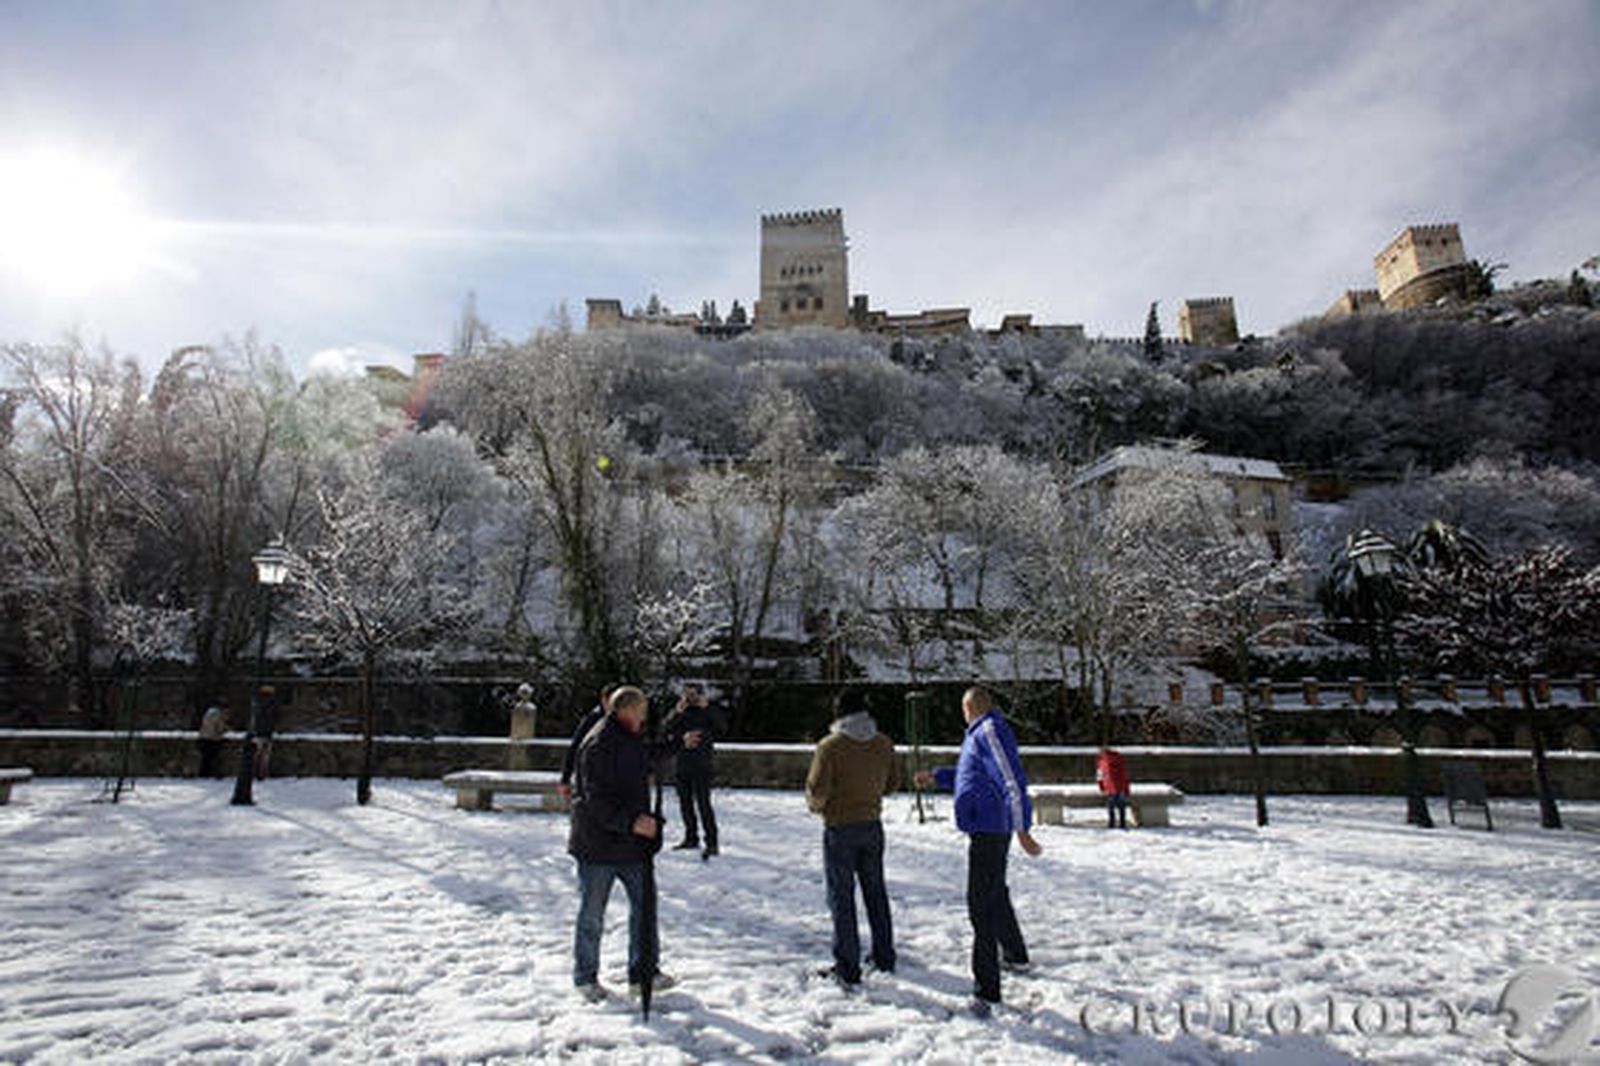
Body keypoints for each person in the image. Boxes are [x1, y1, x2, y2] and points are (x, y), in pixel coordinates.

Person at [915, 686, 1042, 1017]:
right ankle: (1015, 954)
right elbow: (973, 776)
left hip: (991, 829)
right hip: (987, 827)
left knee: (980, 905)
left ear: (970, 706)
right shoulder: (980, 734)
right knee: (995, 894)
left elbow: (1011, 779)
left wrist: (1023, 828)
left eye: (962, 708)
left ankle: (986, 990)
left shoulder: (989, 731)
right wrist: (939, 777)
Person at [568, 685, 674, 1002]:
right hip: (598, 845)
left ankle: (644, 974)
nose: (645, 717)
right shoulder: (598, 743)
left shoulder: (631, 736)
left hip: (633, 845)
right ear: (625, 710)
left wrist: (677, 746)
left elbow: (644, 757)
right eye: (641, 711)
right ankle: (586, 977)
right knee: (592, 915)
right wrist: (631, 821)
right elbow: (593, 799)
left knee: (645, 909)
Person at [805, 688, 900, 987]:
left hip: (840, 827)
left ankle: (848, 965)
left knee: (841, 898)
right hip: (872, 825)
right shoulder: (884, 743)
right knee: (876, 893)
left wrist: (817, 806)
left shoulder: (830, 746)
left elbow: (817, 791)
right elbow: (893, 784)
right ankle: (884, 955)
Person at [662, 683, 719, 859]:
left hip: (703, 764)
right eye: (687, 695)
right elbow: (664, 729)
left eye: (693, 695)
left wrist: (708, 708)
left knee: (703, 804)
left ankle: (712, 842)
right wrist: (676, 713)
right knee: (685, 804)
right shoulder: (680, 711)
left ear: (700, 695)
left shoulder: (708, 710)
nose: (690, 698)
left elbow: (722, 726)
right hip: (682, 764)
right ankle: (690, 838)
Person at [559, 684, 617, 799]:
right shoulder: (592, 719)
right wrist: (565, 778)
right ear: (604, 700)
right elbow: (575, 747)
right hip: (592, 777)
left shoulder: (622, 720)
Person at [1097, 745, 1131, 829]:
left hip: (1109, 787)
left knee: (1111, 806)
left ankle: (1112, 823)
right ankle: (1122, 823)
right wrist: (1127, 788)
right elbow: (1125, 775)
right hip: (1121, 786)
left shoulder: (1102, 762)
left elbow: (1100, 776)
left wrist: (1101, 787)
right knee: (1122, 806)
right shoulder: (1120, 759)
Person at [508, 683, 537, 771]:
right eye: (523, 693)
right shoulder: (517, 707)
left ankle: (523, 769)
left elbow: (531, 723)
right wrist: (513, 735)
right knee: (516, 755)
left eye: (526, 693)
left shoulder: (531, 708)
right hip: (517, 736)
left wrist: (529, 735)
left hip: (525, 736)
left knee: (523, 755)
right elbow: (514, 722)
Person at [251, 686, 278, 781]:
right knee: (265, 756)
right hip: (267, 732)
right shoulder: (271, 704)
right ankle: (262, 774)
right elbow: (272, 718)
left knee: (257, 754)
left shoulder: (256, 703)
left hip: (257, 732)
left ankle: (255, 773)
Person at [197, 702, 229, 778]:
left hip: (203, 738)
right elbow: (219, 728)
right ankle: (213, 774)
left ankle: (203, 774)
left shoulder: (208, 713)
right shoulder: (219, 715)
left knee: (205, 759)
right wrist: (225, 730)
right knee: (214, 758)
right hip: (213, 739)